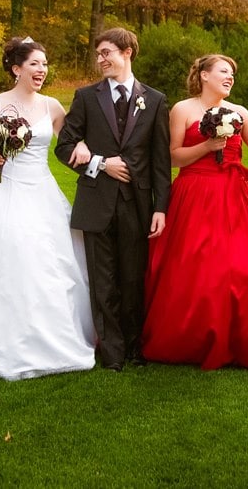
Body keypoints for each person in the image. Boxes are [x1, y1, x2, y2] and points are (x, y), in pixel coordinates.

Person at [0, 38, 96, 380]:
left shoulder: (52, 106)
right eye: (35, 64)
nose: (42, 70)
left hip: (41, 189)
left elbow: (68, 139)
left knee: (53, 259)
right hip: (3, 188)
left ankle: (56, 330)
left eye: (44, 64)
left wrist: (81, 143)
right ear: (16, 69)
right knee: (3, 254)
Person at [142, 55, 248, 370]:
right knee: (192, 268)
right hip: (193, 194)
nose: (230, 78)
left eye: (232, 74)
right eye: (224, 71)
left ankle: (244, 340)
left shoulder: (240, 112)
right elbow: (173, 157)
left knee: (243, 268)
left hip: (234, 196)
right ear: (204, 75)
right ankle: (190, 340)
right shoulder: (183, 109)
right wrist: (206, 147)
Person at [55, 27, 172, 371]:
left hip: (137, 205)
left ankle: (135, 348)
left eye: (106, 52)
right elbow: (64, 146)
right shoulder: (86, 97)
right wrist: (99, 163)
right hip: (97, 202)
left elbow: (160, 162)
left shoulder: (155, 100)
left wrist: (161, 207)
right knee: (102, 281)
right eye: (98, 54)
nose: (100, 59)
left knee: (133, 280)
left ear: (127, 53)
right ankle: (112, 354)